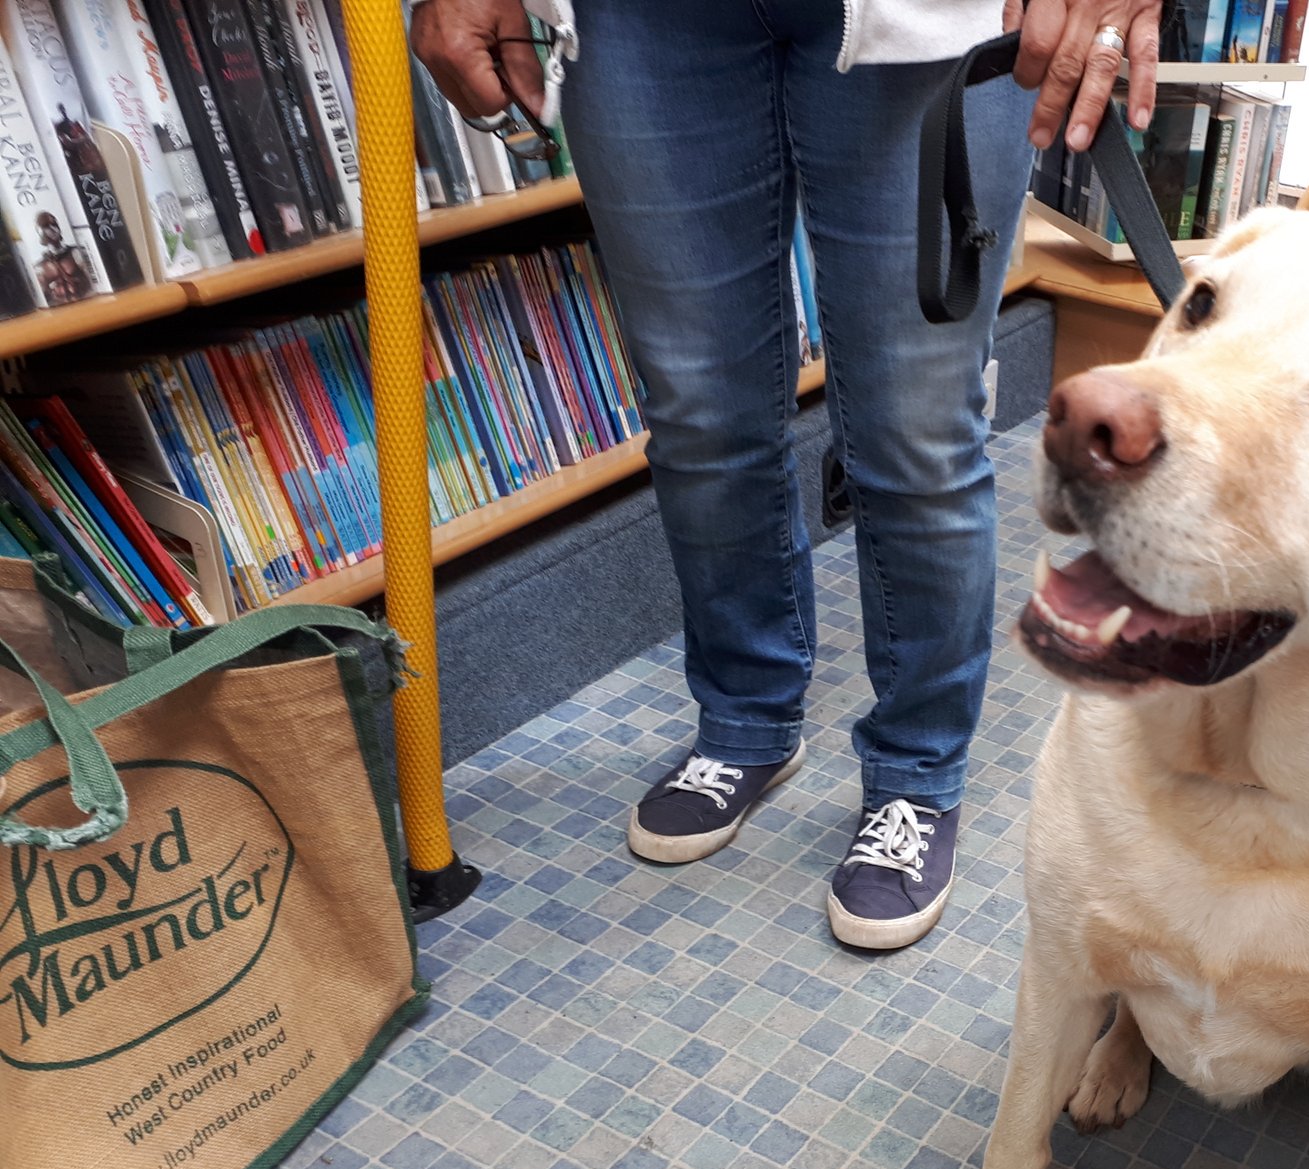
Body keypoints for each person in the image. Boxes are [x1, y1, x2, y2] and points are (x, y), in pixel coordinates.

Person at [413, 0, 1163, 950]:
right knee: (699, 412)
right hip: (644, 23)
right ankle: (746, 718)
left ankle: (918, 776)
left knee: (917, 432)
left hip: (933, 14)